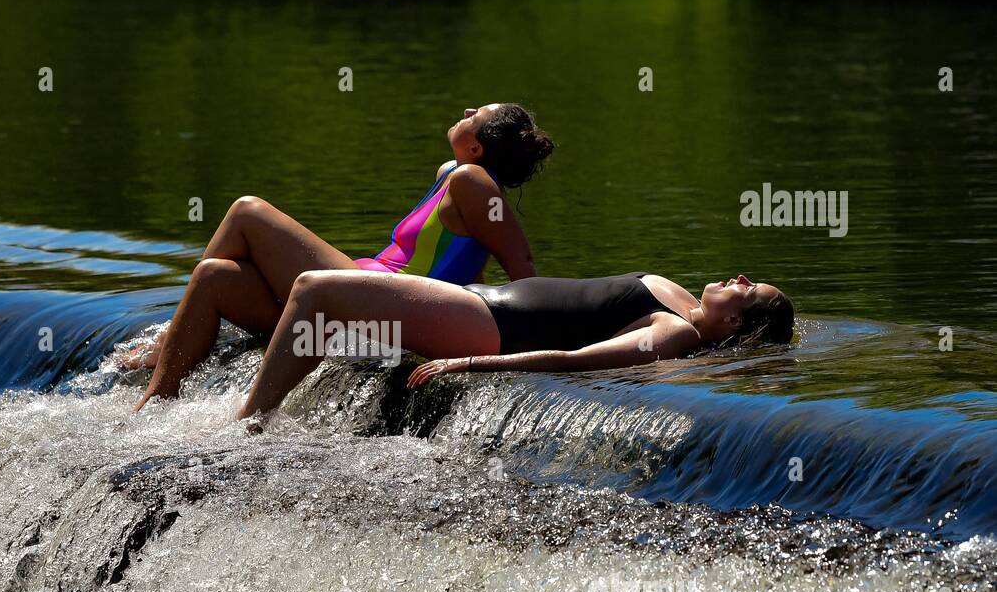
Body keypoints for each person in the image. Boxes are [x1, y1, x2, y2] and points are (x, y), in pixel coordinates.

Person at [123, 103, 554, 409]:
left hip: (374, 299)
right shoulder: (452, 174)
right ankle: (158, 399)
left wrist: (519, 352)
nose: (464, 111)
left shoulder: (475, 183)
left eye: (473, 115)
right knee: (214, 275)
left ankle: (163, 346)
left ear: (477, 148)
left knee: (247, 210)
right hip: (355, 290)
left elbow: (523, 269)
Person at [232, 272, 795, 419]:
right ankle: (163, 378)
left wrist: (473, 362)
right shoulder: (677, 297)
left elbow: (575, 362)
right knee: (225, 274)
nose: (740, 278)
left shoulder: (678, 333)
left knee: (315, 290)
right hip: (476, 302)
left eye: (749, 290)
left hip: (485, 326)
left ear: (738, 329)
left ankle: (250, 422)